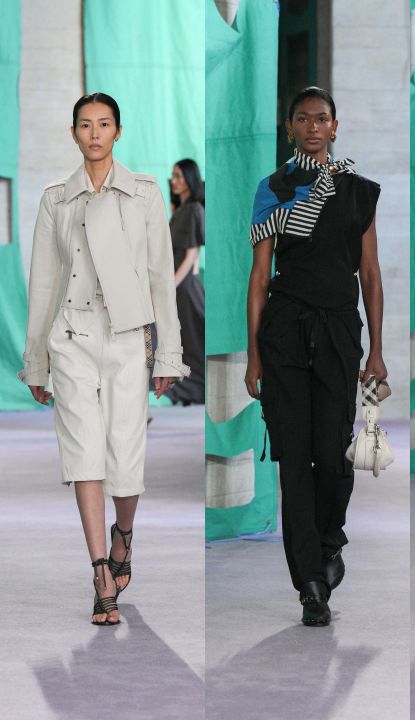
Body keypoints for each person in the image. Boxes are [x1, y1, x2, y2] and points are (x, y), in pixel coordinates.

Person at [20, 93, 189, 625]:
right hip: (71, 337)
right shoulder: (56, 198)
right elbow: (43, 284)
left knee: (125, 457)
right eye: (85, 125)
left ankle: (124, 535)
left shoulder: (143, 193)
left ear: (118, 131)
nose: (94, 133)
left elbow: (161, 277)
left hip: (126, 338)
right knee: (83, 453)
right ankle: (100, 573)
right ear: (73, 133)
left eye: (104, 124)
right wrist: (37, 361)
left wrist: (169, 354)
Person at [244, 86, 386, 627]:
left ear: (335, 126)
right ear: (289, 128)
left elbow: (369, 273)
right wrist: (254, 355)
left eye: (321, 118)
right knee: (293, 461)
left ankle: (329, 542)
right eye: (302, 119)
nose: (312, 126)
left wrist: (377, 351)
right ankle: (309, 583)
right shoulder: (272, 189)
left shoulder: (358, 192)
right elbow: (260, 277)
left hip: (338, 334)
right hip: (284, 333)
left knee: (332, 455)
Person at [165, 159, 205, 405]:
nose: (174, 180)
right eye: (173, 176)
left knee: (194, 343)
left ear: (190, 178)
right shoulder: (182, 210)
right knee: (186, 345)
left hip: (184, 288)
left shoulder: (193, 210)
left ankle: (197, 392)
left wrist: (169, 287)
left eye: (179, 175)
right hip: (179, 287)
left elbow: (191, 255)